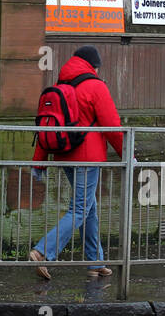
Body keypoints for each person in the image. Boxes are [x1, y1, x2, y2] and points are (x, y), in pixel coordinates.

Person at [28, 45, 124, 280]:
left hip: (64, 156)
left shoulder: (61, 87)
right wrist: (127, 154)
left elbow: (46, 127)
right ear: (93, 66)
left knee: (88, 208)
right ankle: (42, 252)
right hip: (88, 158)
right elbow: (112, 126)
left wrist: (38, 163)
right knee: (80, 209)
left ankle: (95, 261)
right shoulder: (95, 86)